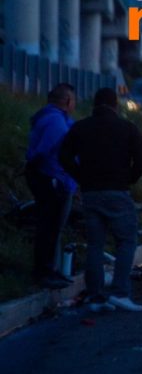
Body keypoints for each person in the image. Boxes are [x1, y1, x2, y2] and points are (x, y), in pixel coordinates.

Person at [59, 88, 142, 312]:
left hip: (91, 193)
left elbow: (63, 156)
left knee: (95, 245)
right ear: (115, 105)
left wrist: (81, 177)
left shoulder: (80, 127)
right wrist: (129, 178)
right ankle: (120, 292)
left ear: (94, 104)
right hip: (117, 191)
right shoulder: (127, 128)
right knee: (126, 241)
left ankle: (95, 296)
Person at [25, 83, 78, 289]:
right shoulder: (56, 121)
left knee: (52, 227)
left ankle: (51, 270)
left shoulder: (51, 118)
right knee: (50, 227)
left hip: (53, 178)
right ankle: (44, 272)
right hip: (52, 179)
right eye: (73, 101)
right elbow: (44, 151)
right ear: (67, 102)